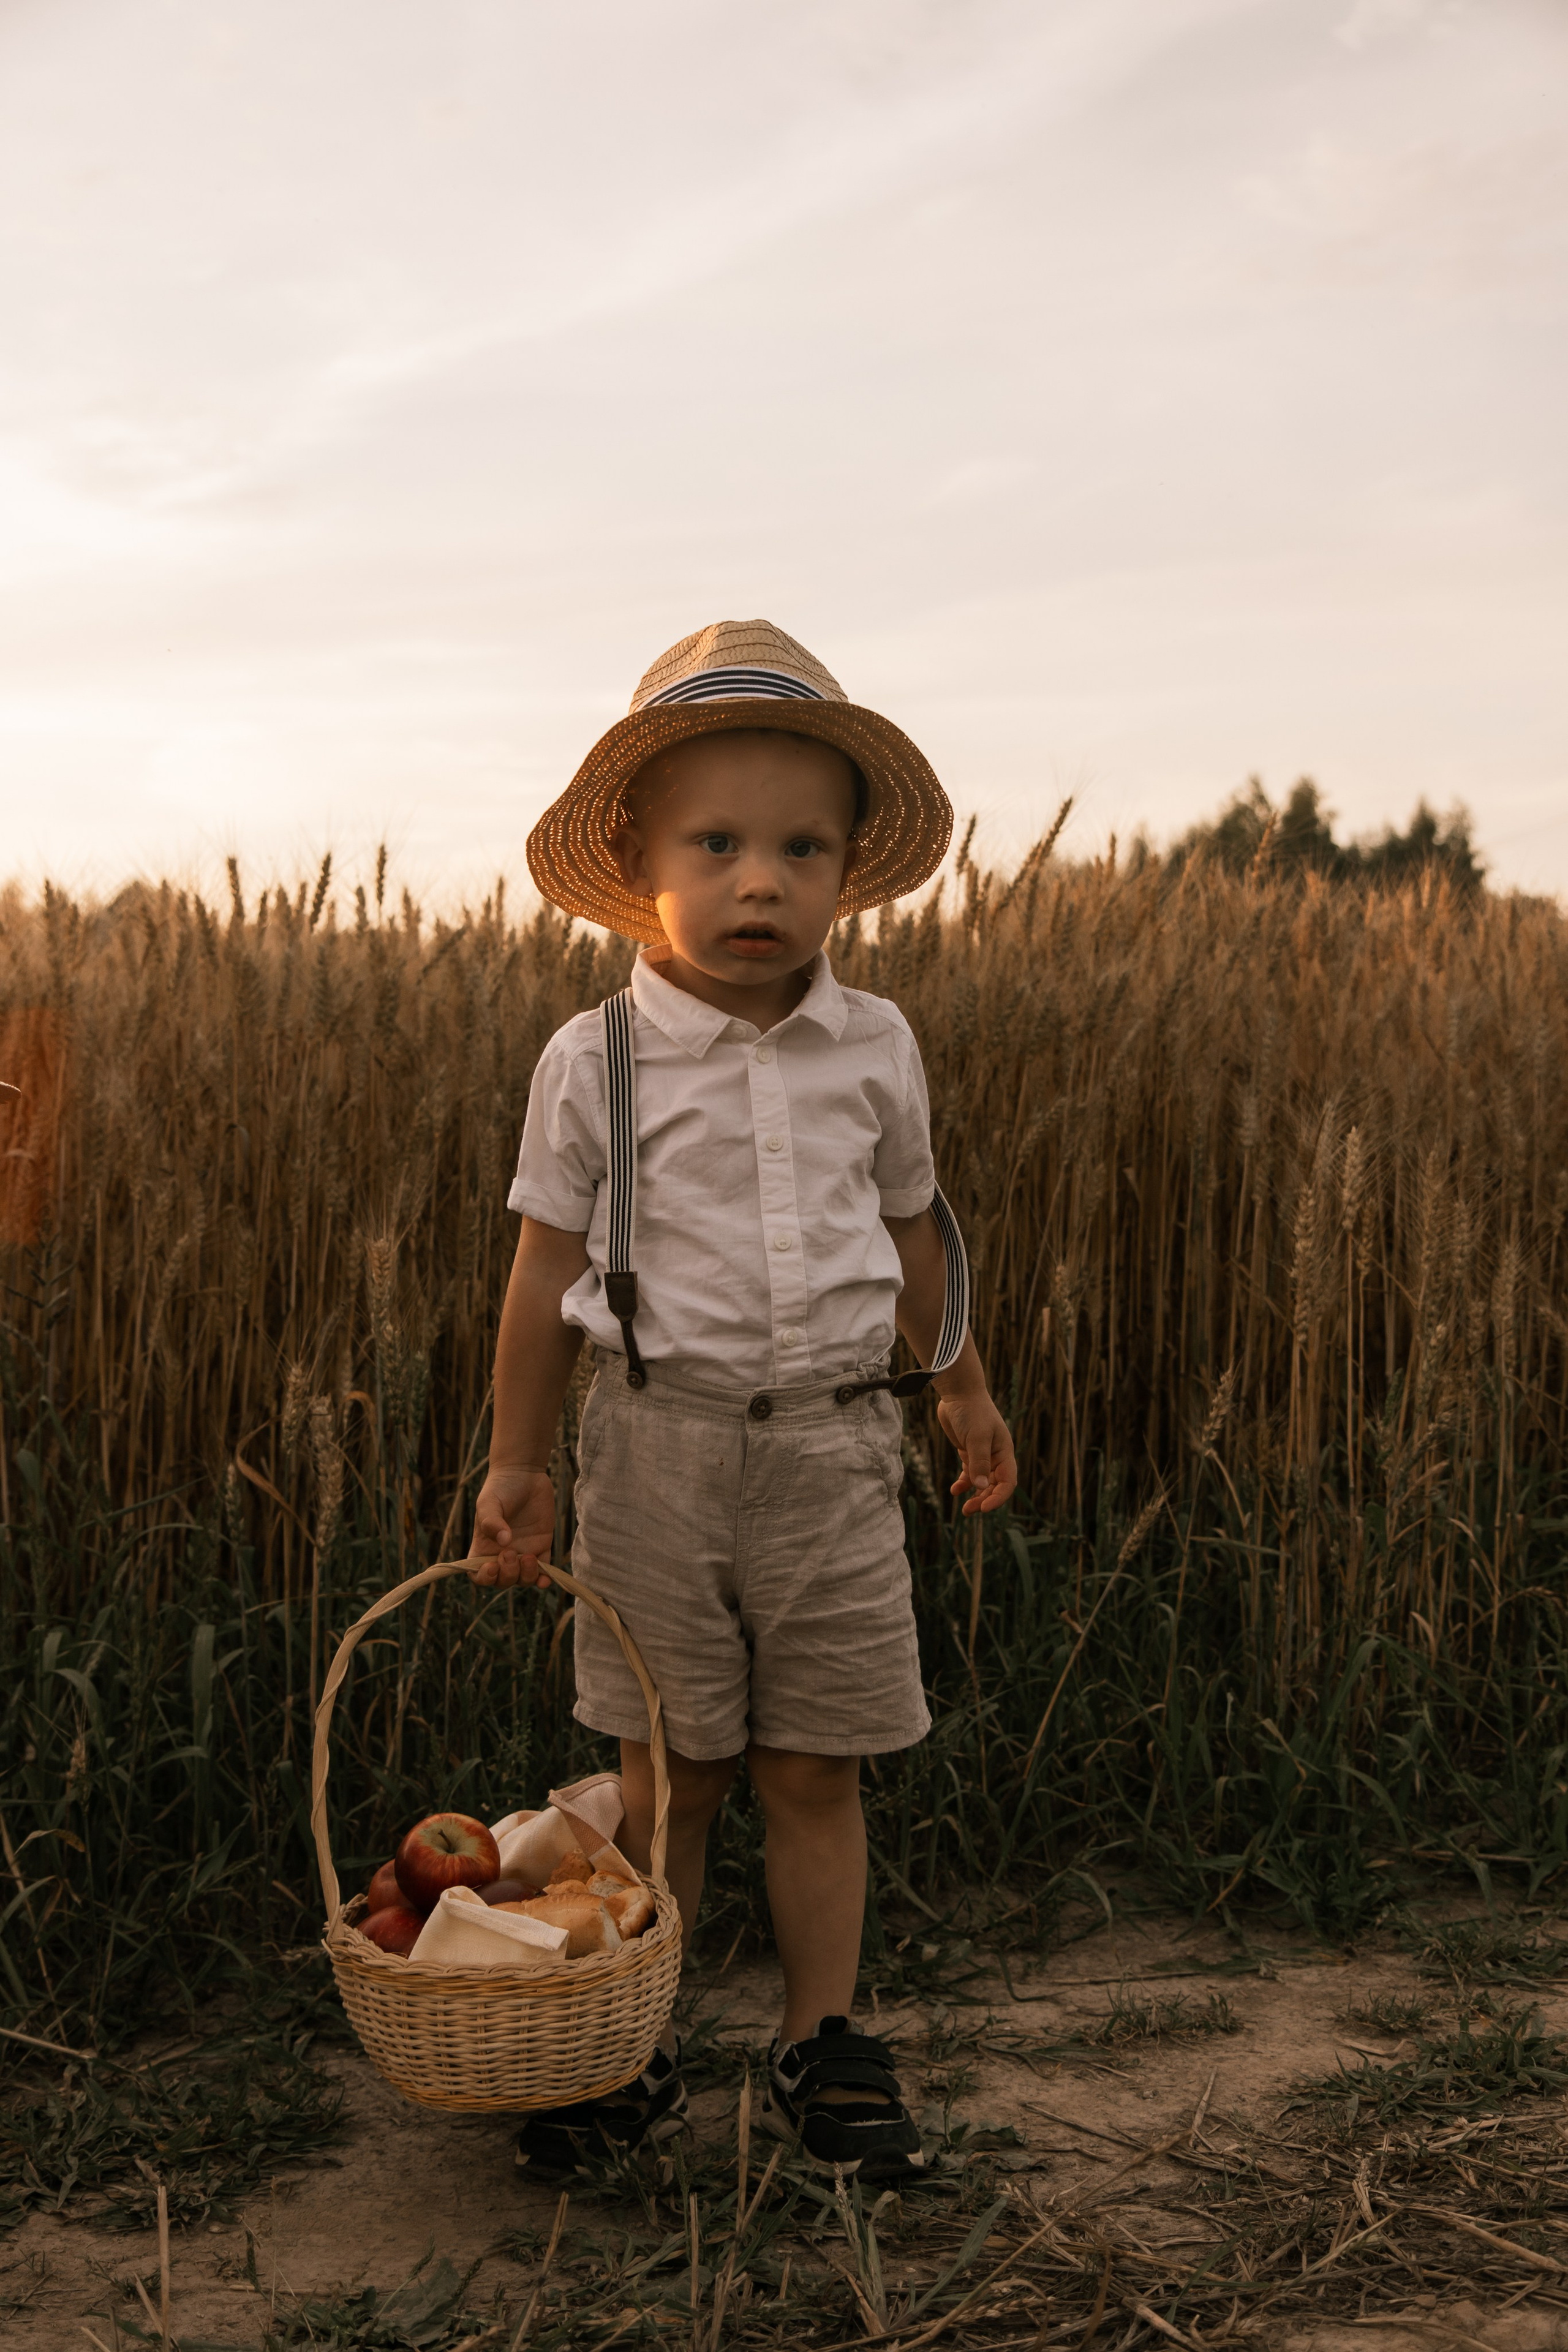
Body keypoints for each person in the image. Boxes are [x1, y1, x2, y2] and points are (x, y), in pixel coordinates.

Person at [470, 618, 1017, 2176]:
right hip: (652, 1448)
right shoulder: (594, 1062)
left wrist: (961, 1391)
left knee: (811, 1765)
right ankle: (619, 2044)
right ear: (637, 859)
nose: (759, 880)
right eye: (714, 843)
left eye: (800, 847)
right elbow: (537, 1276)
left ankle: (821, 2045)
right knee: (671, 1774)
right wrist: (518, 1461)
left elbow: (917, 1231)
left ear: (851, 870)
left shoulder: (875, 1046)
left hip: (840, 1447)